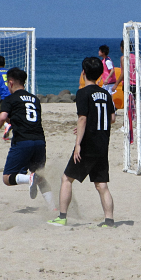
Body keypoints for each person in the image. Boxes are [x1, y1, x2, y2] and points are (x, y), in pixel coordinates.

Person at [48, 57, 116, 228]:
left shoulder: (82, 93)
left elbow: (82, 118)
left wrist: (78, 143)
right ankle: (109, 220)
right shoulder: (106, 94)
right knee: (101, 185)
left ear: (83, 73)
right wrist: (89, 125)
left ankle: (62, 217)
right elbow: (112, 118)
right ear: (100, 74)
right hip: (102, 143)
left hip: (88, 144)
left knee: (66, 179)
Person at [0, 67, 56, 210]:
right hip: (40, 141)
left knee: (7, 178)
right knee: (40, 176)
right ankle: (53, 208)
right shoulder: (35, 99)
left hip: (23, 141)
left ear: (11, 83)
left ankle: (29, 178)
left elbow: (2, 117)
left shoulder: (10, 99)